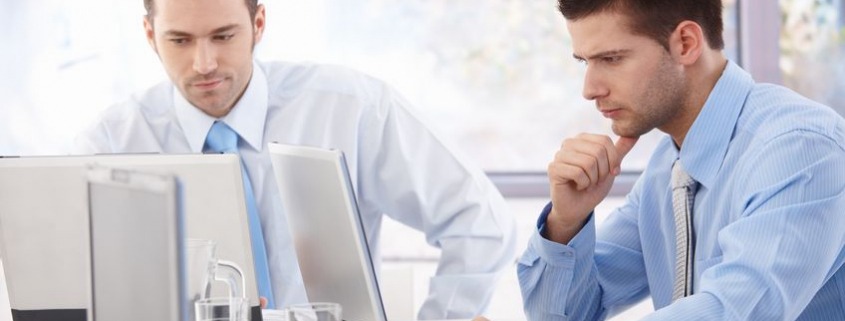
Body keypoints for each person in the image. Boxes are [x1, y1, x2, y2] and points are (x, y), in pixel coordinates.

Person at [73, 0, 517, 319]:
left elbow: (479, 220)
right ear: (150, 35)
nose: (203, 63)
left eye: (223, 36)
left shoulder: (351, 108)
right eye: (180, 40)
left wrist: (445, 316)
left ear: (259, 23)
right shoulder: (111, 142)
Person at [513, 0, 845, 320]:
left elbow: (735, 311)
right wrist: (566, 222)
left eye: (611, 58)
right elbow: (562, 315)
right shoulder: (667, 168)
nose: (589, 89)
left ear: (685, 43)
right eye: (585, 62)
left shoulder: (800, 148)